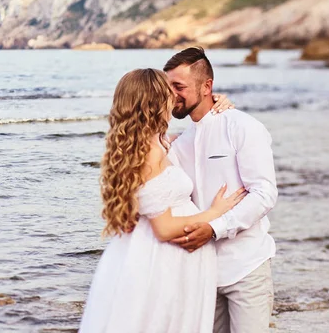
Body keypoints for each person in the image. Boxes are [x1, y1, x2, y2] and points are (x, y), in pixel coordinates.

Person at [79, 68, 243, 333]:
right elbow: (164, 228)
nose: (175, 99)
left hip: (148, 254)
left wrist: (216, 103)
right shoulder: (149, 152)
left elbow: (192, 137)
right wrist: (215, 212)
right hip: (160, 261)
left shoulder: (148, 143)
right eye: (169, 94)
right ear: (155, 102)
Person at [164, 47, 278, 333]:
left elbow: (264, 193)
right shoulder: (178, 143)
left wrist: (215, 228)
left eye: (179, 87)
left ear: (207, 87)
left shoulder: (242, 127)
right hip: (201, 273)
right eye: (168, 88)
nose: (171, 95)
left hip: (246, 266)